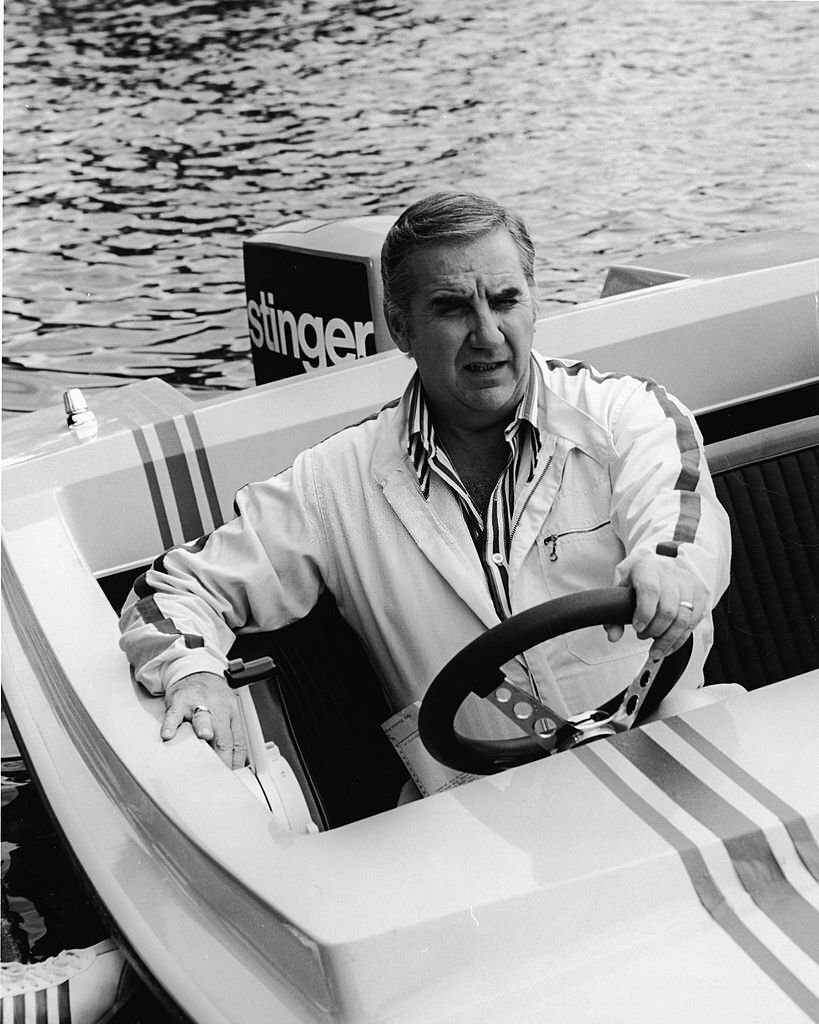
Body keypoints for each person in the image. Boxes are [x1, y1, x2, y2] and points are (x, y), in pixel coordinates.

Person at [118, 192, 730, 778]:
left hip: (668, 757)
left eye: (505, 299)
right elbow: (169, 591)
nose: (487, 333)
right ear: (400, 326)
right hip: (473, 817)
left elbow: (678, 518)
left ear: (535, 303)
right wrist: (191, 673)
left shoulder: (628, 415)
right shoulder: (333, 483)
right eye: (452, 307)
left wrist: (667, 570)